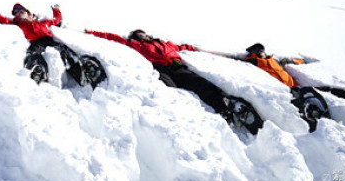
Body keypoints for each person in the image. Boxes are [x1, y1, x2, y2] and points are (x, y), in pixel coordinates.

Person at [85, 28, 262, 134]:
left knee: (200, 84)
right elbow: (112, 38)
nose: (143, 36)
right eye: (139, 35)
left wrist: (194, 48)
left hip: (178, 67)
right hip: (160, 69)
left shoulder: (165, 43)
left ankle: (225, 107)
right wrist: (91, 33)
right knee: (171, 91)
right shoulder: (136, 45)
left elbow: (182, 47)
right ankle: (183, 120)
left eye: (144, 34)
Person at [241, 42, 345, 130]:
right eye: (258, 51)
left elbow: (293, 61)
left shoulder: (274, 60)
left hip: (298, 86)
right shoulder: (254, 62)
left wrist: (303, 61)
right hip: (289, 92)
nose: (261, 52)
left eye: (261, 50)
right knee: (327, 101)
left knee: (337, 92)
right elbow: (235, 60)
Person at [0, 3, 105, 89]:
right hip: (36, 43)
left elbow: (56, 20)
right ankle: (37, 72)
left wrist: (56, 10)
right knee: (33, 53)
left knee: (64, 52)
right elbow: (2, 19)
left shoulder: (41, 21)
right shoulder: (18, 23)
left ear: (27, 11)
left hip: (49, 40)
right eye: (16, 13)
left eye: (21, 11)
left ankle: (81, 74)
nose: (19, 14)